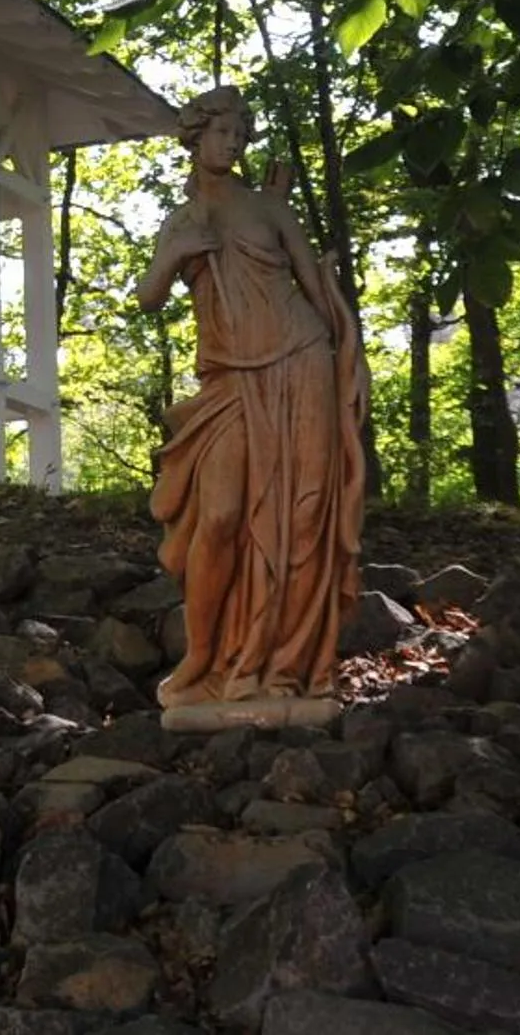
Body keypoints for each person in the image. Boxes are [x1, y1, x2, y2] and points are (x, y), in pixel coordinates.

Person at [137, 85, 367, 709]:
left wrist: (349, 358)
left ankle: (285, 665)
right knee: (219, 516)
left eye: (240, 137)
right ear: (197, 137)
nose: (232, 144)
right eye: (222, 134)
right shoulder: (183, 221)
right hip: (232, 381)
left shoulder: (271, 208)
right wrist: (177, 256)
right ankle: (204, 656)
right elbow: (149, 296)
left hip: (302, 363)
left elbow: (316, 289)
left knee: (302, 515)